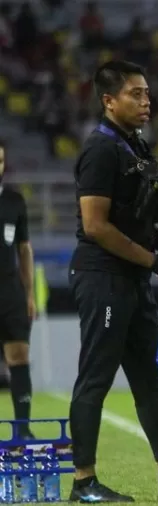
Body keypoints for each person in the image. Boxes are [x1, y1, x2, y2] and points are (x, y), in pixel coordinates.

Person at [68, 60, 158, 502]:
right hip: (103, 276)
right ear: (108, 100)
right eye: (135, 94)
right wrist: (152, 260)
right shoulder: (101, 150)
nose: (146, 102)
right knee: (96, 377)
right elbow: (95, 226)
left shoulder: (134, 147)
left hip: (129, 277)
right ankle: (83, 483)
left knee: (149, 379)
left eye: (147, 93)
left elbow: (133, 216)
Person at [0, 140, 37, 440]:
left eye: (0, 161)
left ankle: (23, 429)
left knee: (19, 356)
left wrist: (30, 294)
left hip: (10, 289)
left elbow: (25, 249)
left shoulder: (14, 201)